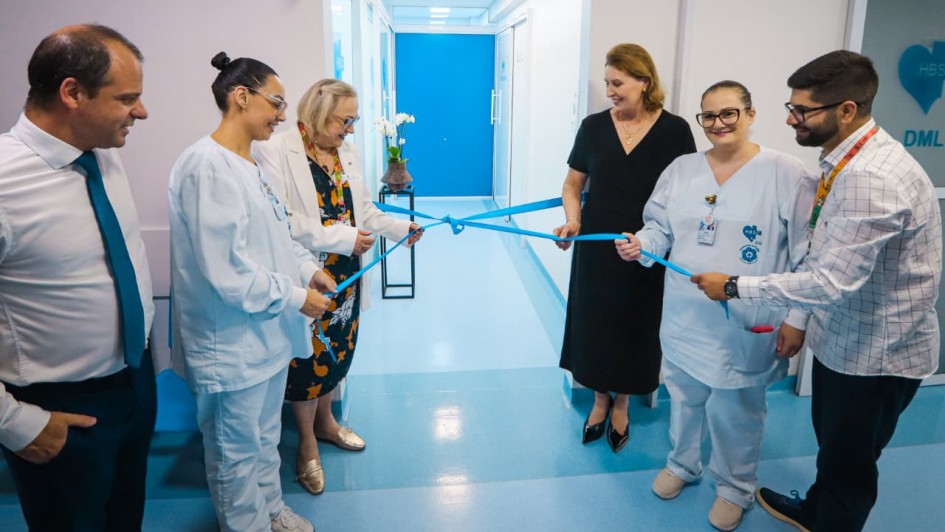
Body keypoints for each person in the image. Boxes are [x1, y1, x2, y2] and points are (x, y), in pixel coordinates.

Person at [692, 51, 942, 532]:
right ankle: (816, 511)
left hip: (877, 356)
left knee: (850, 464)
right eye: (792, 107)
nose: (791, 119)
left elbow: (829, 281)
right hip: (847, 340)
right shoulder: (845, 159)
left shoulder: (870, 177)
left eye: (802, 111)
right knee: (834, 448)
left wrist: (734, 286)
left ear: (846, 110)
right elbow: (827, 249)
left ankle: (832, 521)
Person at [615, 81, 816, 530]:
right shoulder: (682, 169)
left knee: (736, 410)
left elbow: (807, 255)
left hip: (746, 319)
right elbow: (660, 228)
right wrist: (640, 244)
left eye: (729, 114)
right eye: (708, 116)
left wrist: (797, 319)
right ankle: (683, 464)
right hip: (686, 315)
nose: (718, 124)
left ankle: (735, 487)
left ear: (750, 114)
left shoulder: (787, 173)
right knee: (684, 398)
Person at [168, 52, 334, 532]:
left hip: (267, 337)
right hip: (231, 344)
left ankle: (272, 512)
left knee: (263, 438)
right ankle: (248, 525)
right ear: (241, 96)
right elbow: (228, 272)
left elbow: (278, 238)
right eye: (276, 103)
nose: (283, 116)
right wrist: (296, 298)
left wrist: (307, 271)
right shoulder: (206, 166)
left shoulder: (252, 164)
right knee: (233, 452)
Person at [0, 24, 157, 530]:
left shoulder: (104, 158)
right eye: (127, 98)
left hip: (134, 382)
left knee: (123, 519)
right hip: (59, 410)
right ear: (72, 92)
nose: (142, 111)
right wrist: (15, 423)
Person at [255, 78, 423, 495]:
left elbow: (363, 209)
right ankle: (306, 444)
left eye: (354, 122)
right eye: (344, 121)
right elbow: (285, 220)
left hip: (347, 274)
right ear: (316, 111)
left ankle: (327, 423)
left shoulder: (345, 151)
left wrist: (402, 226)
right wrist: (343, 238)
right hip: (309, 273)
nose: (350, 131)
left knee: (338, 353)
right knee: (308, 361)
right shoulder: (275, 152)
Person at [553, 43, 696, 452]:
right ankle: (599, 401)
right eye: (607, 83)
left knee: (637, 323)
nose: (610, 91)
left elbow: (685, 193)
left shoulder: (675, 130)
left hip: (648, 247)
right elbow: (572, 183)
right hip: (596, 243)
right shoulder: (594, 127)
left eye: (618, 83)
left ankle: (623, 405)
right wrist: (574, 220)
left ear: (644, 81)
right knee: (594, 322)